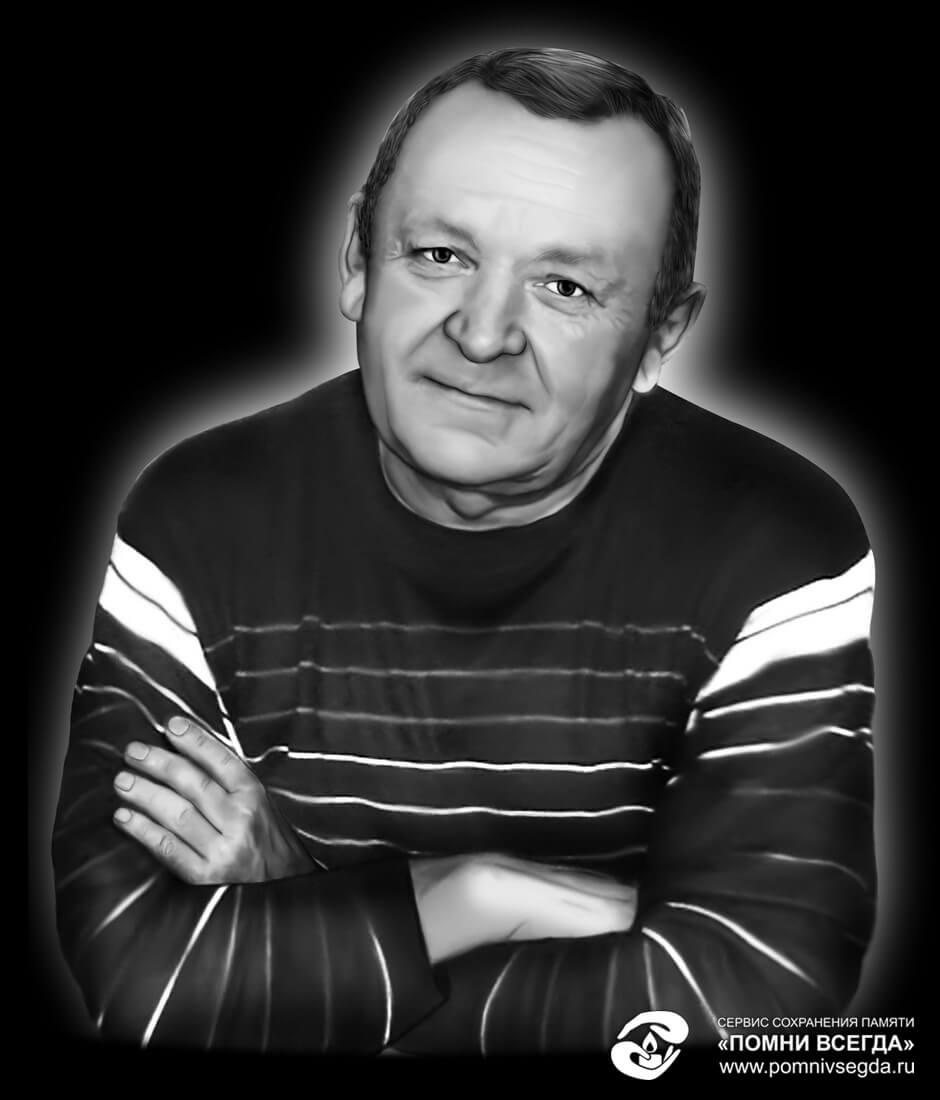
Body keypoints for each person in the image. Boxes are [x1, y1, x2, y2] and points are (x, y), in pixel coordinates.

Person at [51, 47, 876, 1055]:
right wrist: (479, 896)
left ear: (661, 336)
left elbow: (761, 1017)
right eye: (440, 255)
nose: (483, 335)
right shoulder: (199, 516)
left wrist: (306, 898)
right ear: (357, 262)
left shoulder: (775, 542)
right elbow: (142, 986)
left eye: (565, 286)